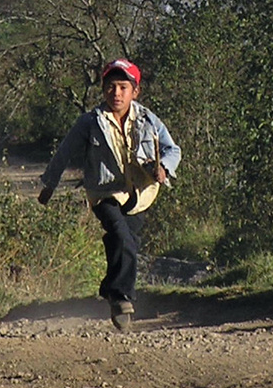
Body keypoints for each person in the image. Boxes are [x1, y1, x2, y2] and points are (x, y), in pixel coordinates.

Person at [38, 59, 181, 330]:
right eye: (111, 87)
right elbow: (64, 152)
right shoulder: (90, 122)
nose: (116, 93)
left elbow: (173, 149)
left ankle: (110, 287)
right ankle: (122, 299)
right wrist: (49, 185)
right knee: (121, 236)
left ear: (134, 92)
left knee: (126, 243)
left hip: (141, 195)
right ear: (103, 90)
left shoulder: (149, 120)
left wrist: (164, 168)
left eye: (123, 87)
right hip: (104, 192)